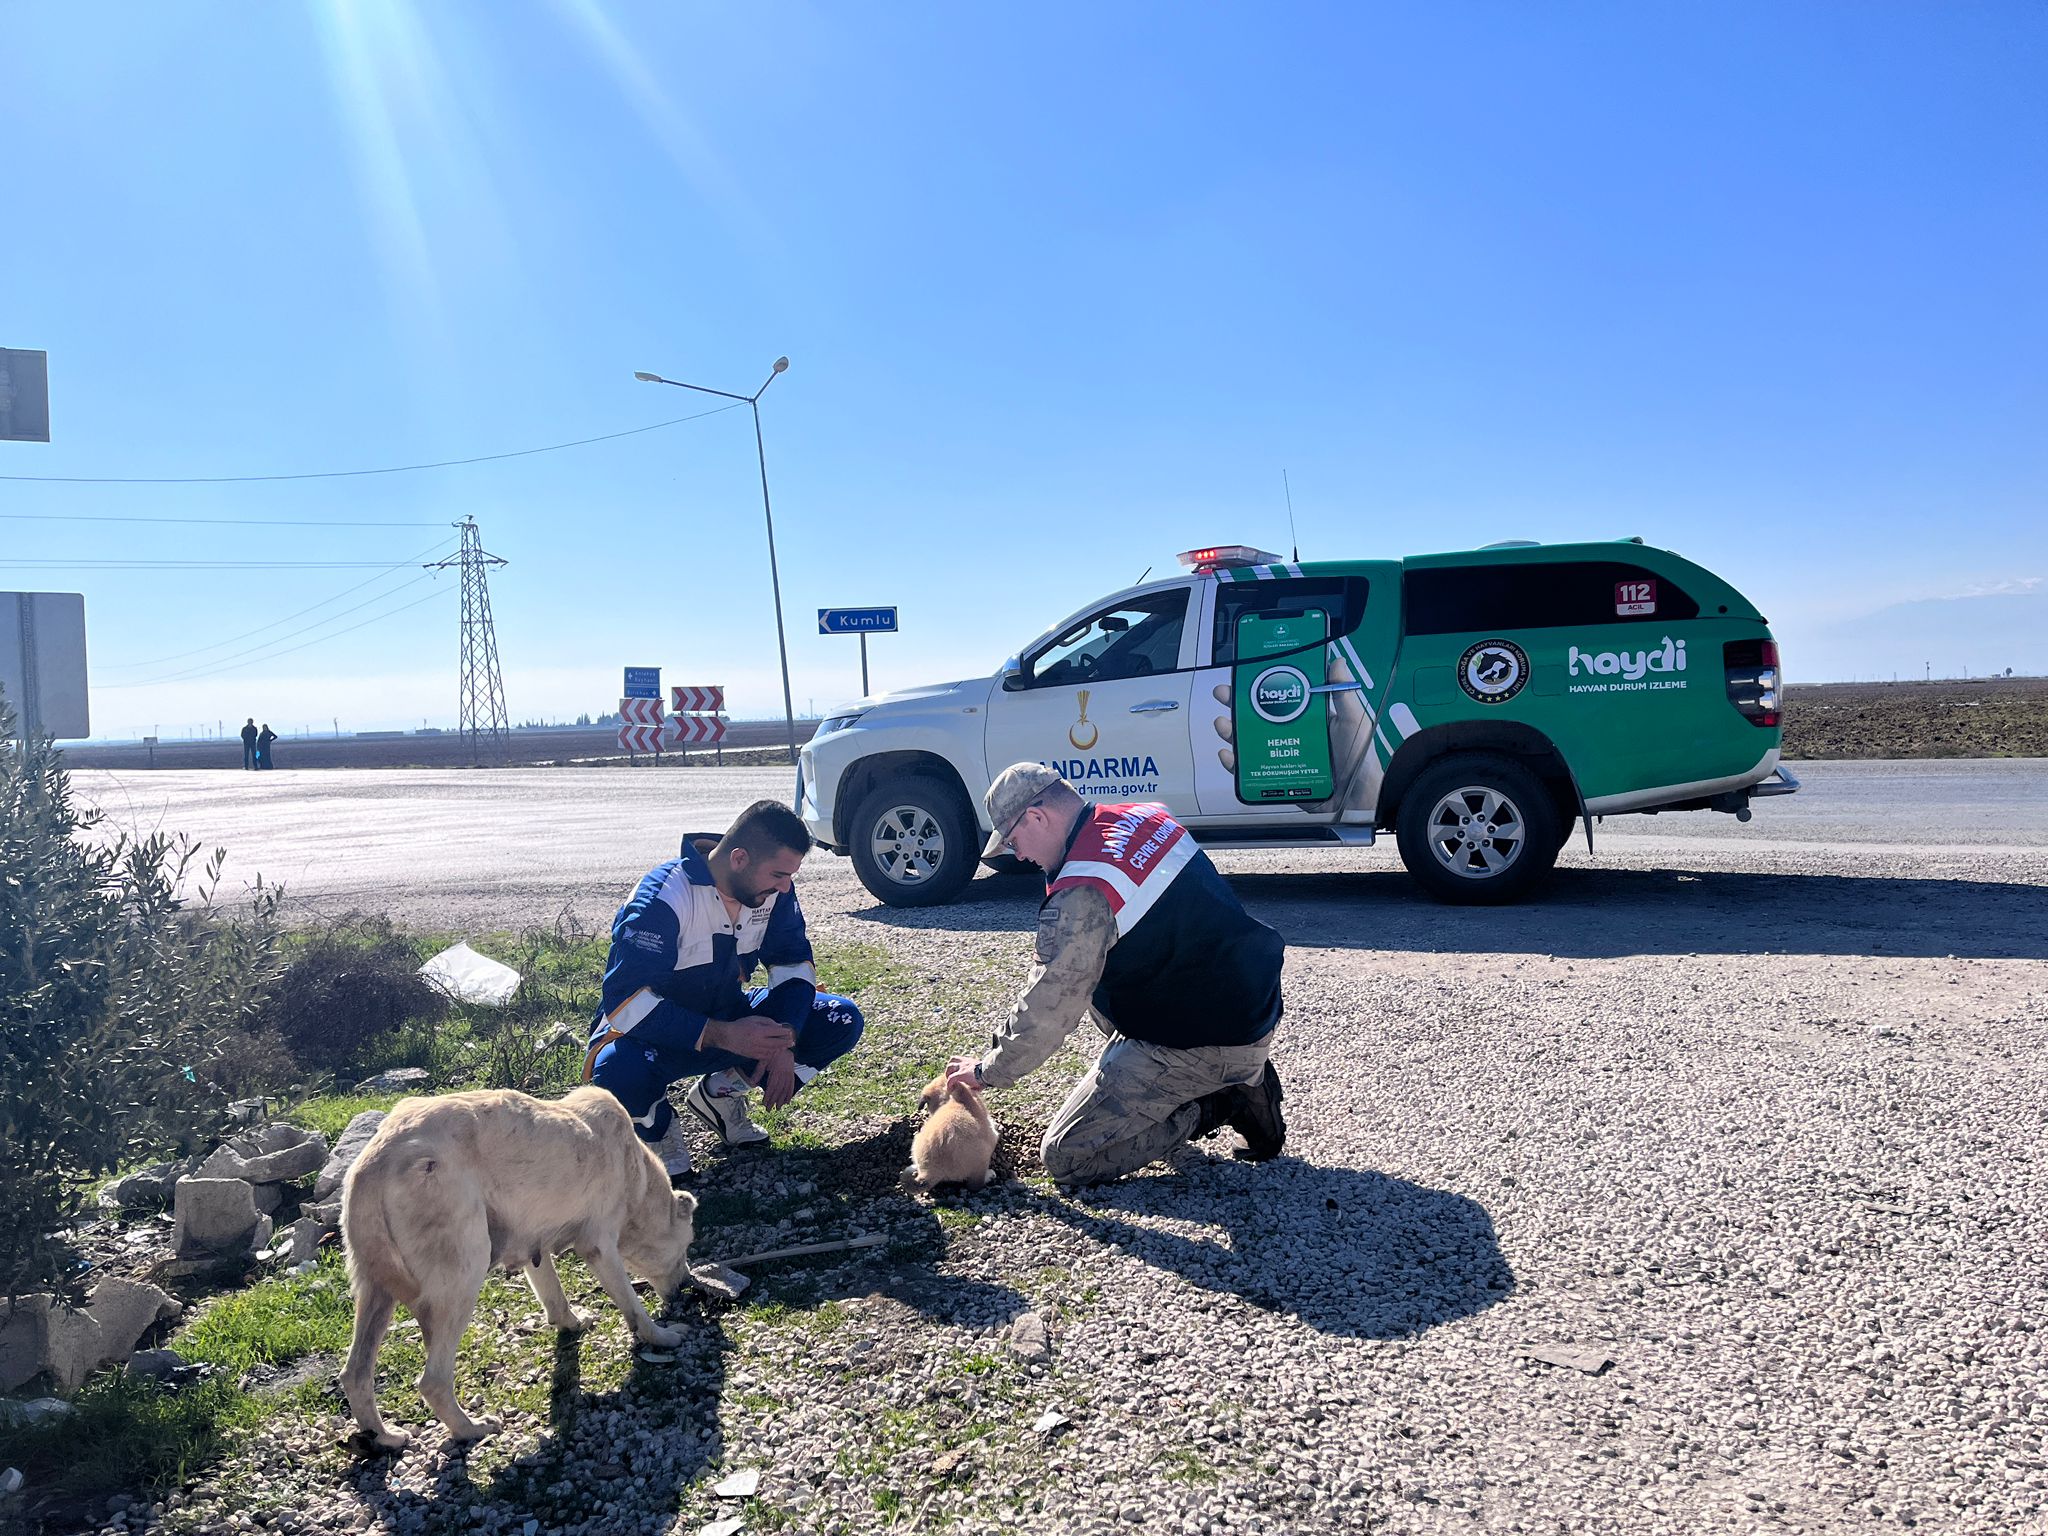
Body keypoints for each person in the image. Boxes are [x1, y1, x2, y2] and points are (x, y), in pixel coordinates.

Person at [946, 764, 1287, 1187]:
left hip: (1210, 1040)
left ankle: (1219, 1099)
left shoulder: (1085, 889)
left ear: (1037, 817)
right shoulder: (1143, 816)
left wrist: (987, 1070)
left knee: (1066, 1157)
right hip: (1248, 1002)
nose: (1019, 856)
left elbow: (1053, 1003)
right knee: (1100, 971)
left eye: (1014, 840)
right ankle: (1226, 1071)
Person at [584, 799, 863, 1176]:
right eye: (779, 874)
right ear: (739, 859)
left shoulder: (772, 892)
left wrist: (785, 1038)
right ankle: (657, 1128)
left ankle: (721, 1094)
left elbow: (793, 966)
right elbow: (625, 1003)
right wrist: (720, 1035)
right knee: (617, 1070)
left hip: (728, 1014)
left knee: (840, 1018)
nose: (785, 887)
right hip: (654, 1035)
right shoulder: (662, 899)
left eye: (790, 876)